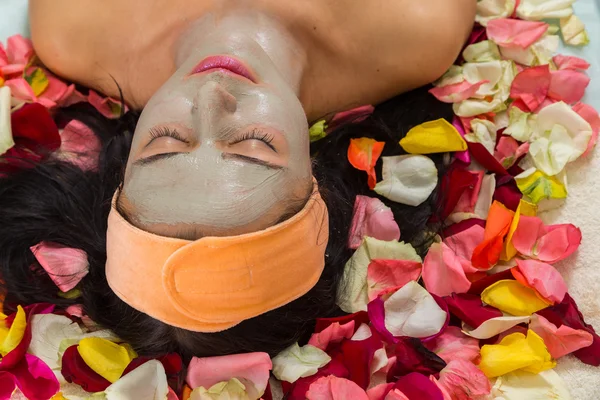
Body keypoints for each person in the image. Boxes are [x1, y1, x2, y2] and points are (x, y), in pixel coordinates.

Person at [0, 1, 475, 361]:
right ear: (319, 182)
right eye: (255, 144)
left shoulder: (76, 25)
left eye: (165, 141)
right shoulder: (415, 26)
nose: (210, 98)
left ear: (120, 166)